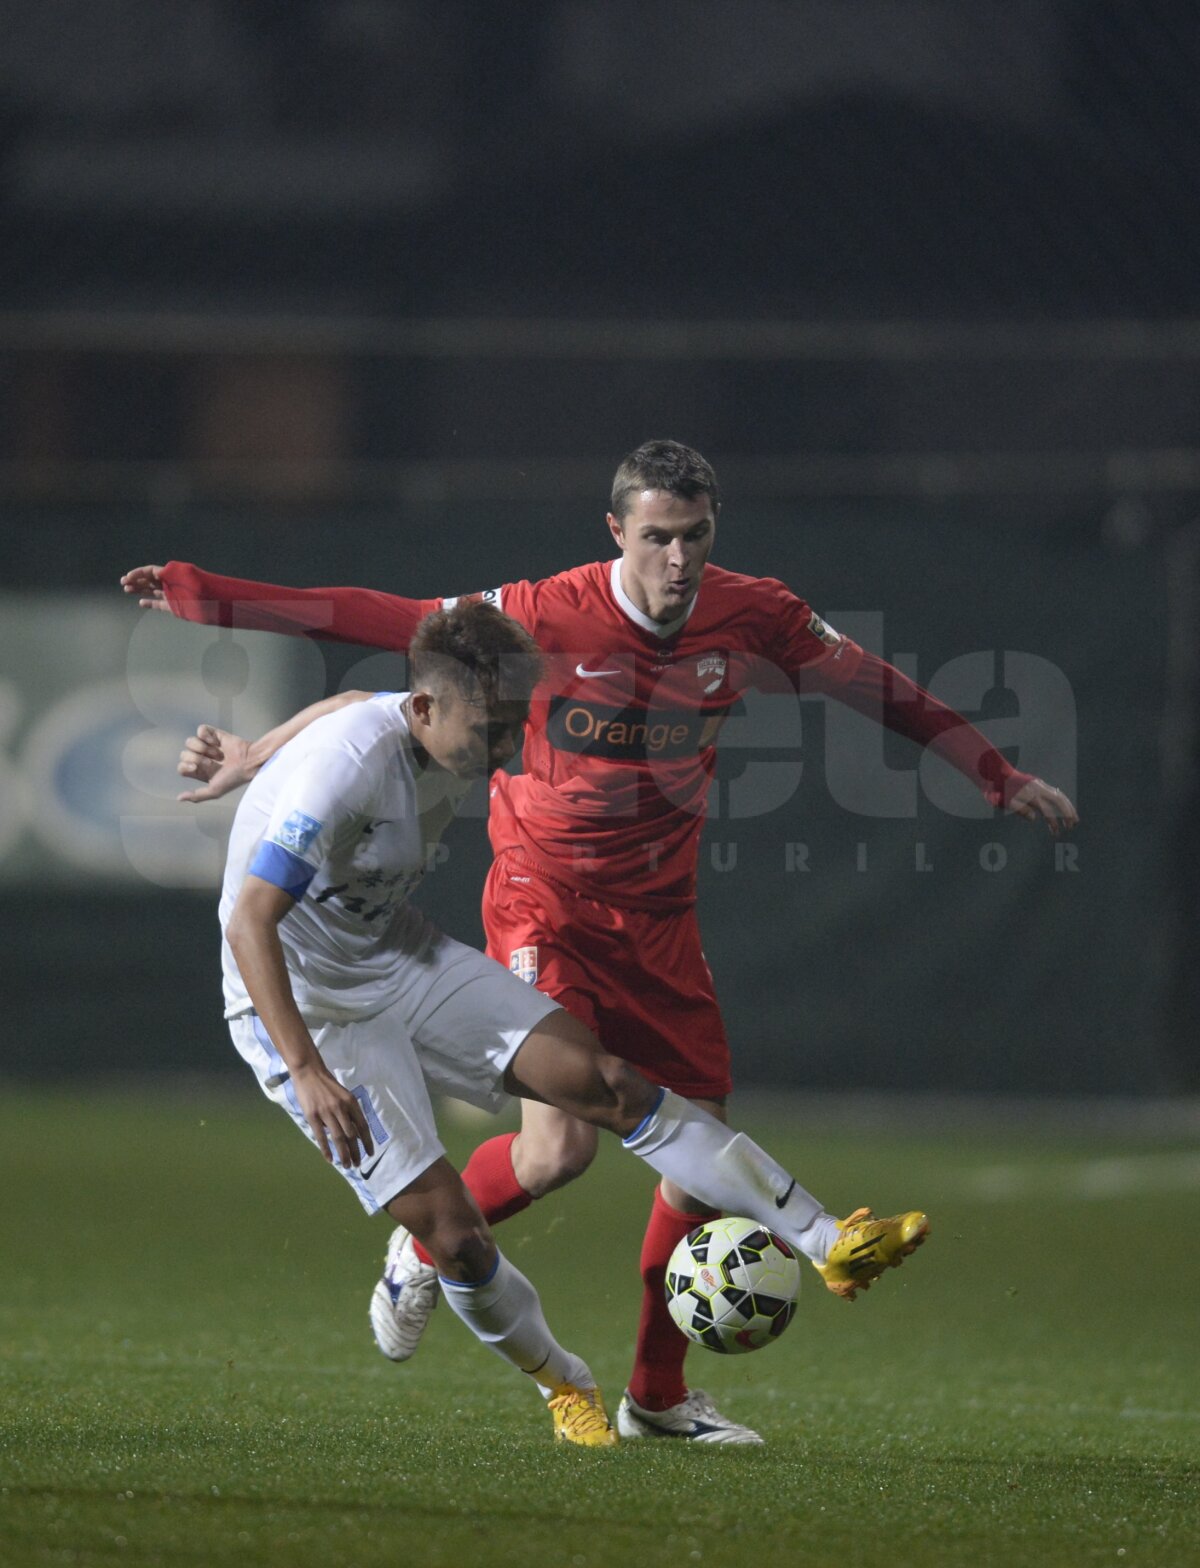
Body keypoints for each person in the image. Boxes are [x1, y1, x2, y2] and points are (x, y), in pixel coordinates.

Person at [122, 438, 1069, 1445]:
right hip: (542, 898)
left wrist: (992, 772)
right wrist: (206, 593)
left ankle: (657, 1393)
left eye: (695, 536)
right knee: (559, 1147)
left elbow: (874, 682)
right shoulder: (540, 611)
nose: (677, 559)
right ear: (616, 530)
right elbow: (373, 620)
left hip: (659, 915)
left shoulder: (757, 615)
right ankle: (424, 1251)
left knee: (696, 1149)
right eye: (657, 536)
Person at [214, 594, 931, 1448]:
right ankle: (564, 1383)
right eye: (492, 730)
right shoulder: (342, 772)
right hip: (304, 1009)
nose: (509, 748)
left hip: (398, 956)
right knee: (456, 1237)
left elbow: (346, 706)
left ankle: (828, 1239)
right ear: (426, 707)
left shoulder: (414, 718)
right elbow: (249, 918)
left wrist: (251, 753)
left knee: (611, 1085)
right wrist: (304, 1068)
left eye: (518, 724)